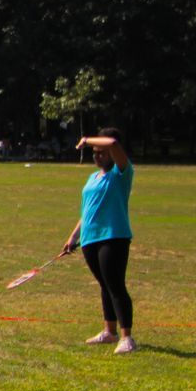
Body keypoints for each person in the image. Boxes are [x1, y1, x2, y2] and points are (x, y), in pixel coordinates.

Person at [62, 129, 136, 354]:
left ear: (113, 154)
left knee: (115, 285)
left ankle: (127, 338)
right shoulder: (92, 178)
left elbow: (113, 142)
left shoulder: (121, 173)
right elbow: (88, 211)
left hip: (113, 236)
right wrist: (73, 237)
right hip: (90, 238)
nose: (97, 156)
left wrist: (86, 140)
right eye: (94, 152)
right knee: (104, 286)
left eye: (101, 153)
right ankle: (109, 332)